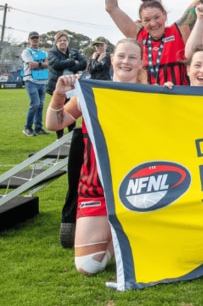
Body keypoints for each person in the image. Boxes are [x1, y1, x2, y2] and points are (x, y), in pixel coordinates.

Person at [45, 38, 146, 274]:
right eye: (121, 56)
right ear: (112, 59)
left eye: (133, 57)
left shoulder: (149, 95)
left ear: (141, 63)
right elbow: (53, 123)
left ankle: (128, 229)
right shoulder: (90, 94)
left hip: (137, 187)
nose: (126, 61)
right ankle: (117, 235)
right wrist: (59, 95)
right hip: (95, 187)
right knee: (88, 266)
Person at [104, 0, 203, 86]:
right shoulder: (138, 35)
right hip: (147, 100)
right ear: (142, 21)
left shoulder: (178, 31)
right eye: (147, 20)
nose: (153, 23)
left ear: (165, 15)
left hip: (176, 100)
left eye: (157, 17)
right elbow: (111, 7)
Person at [46, 30, 87, 139]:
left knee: (70, 111)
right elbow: (57, 64)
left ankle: (70, 135)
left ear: (68, 42)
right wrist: (73, 61)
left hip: (72, 87)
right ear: (56, 43)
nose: (63, 42)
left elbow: (83, 64)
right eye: (60, 41)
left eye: (65, 40)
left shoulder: (74, 51)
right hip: (57, 87)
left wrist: (71, 65)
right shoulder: (51, 53)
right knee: (59, 110)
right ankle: (59, 137)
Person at [21, 31, 49, 136]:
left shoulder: (44, 53)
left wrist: (39, 64)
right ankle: (27, 127)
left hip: (43, 81)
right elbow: (31, 65)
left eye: (36, 38)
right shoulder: (26, 52)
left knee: (40, 105)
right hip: (31, 81)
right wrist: (43, 64)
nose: (35, 40)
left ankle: (38, 128)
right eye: (33, 38)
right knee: (35, 104)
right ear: (29, 40)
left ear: (39, 39)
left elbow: (48, 64)